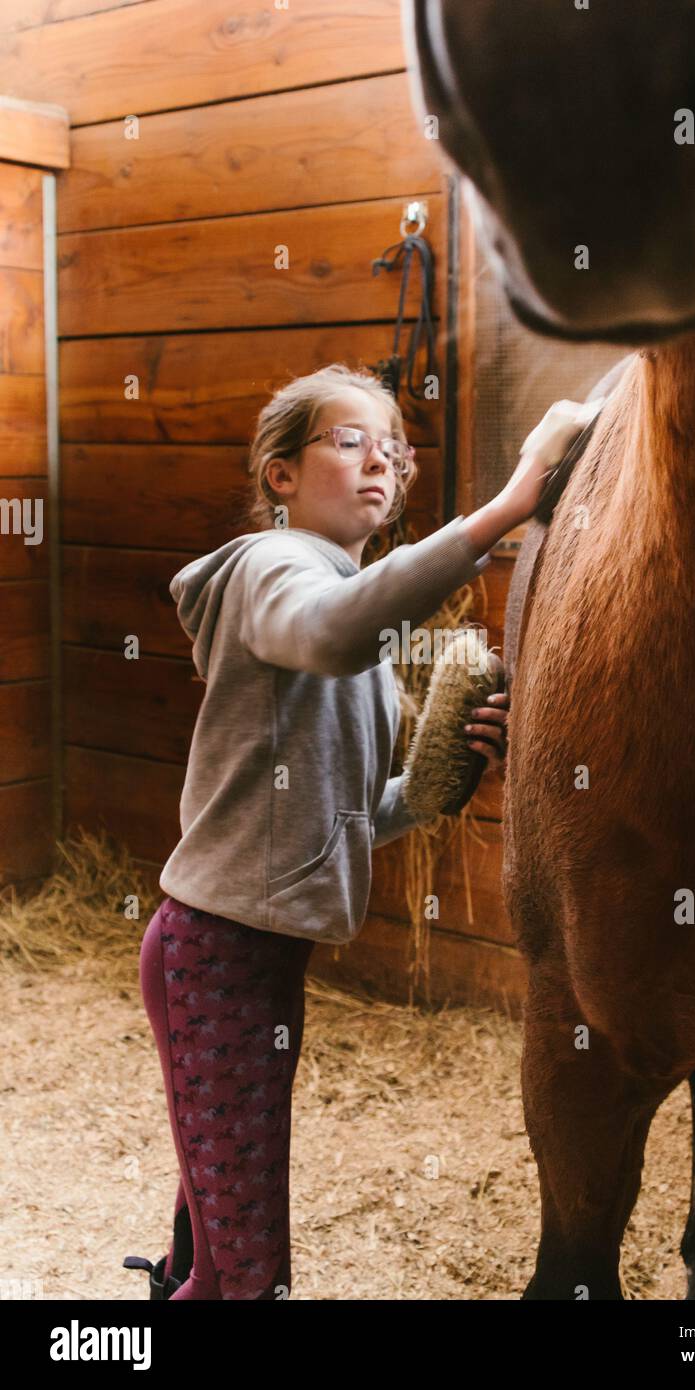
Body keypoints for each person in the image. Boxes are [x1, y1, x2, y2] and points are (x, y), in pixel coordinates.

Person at [123, 363, 595, 1300]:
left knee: (222, 1225)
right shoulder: (272, 569)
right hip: (215, 950)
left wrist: (434, 780)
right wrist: (507, 505)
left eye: (395, 449)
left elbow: (340, 813)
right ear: (280, 475)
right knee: (252, 1260)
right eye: (348, 439)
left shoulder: (346, 607)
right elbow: (336, 629)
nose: (380, 457)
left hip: (257, 954)